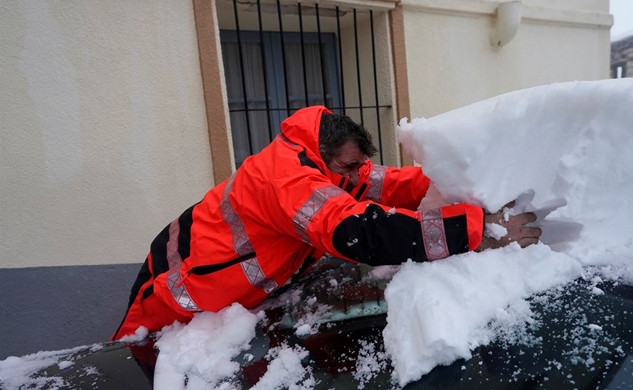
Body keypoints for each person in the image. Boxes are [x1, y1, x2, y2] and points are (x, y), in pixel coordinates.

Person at [111, 106, 540, 341]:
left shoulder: (329, 163)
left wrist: (462, 179)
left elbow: (388, 183)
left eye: (357, 167)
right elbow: (363, 232)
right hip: (172, 300)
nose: (357, 177)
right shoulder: (286, 180)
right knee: (134, 388)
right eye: (351, 167)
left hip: (231, 301)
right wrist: (478, 229)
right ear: (325, 151)